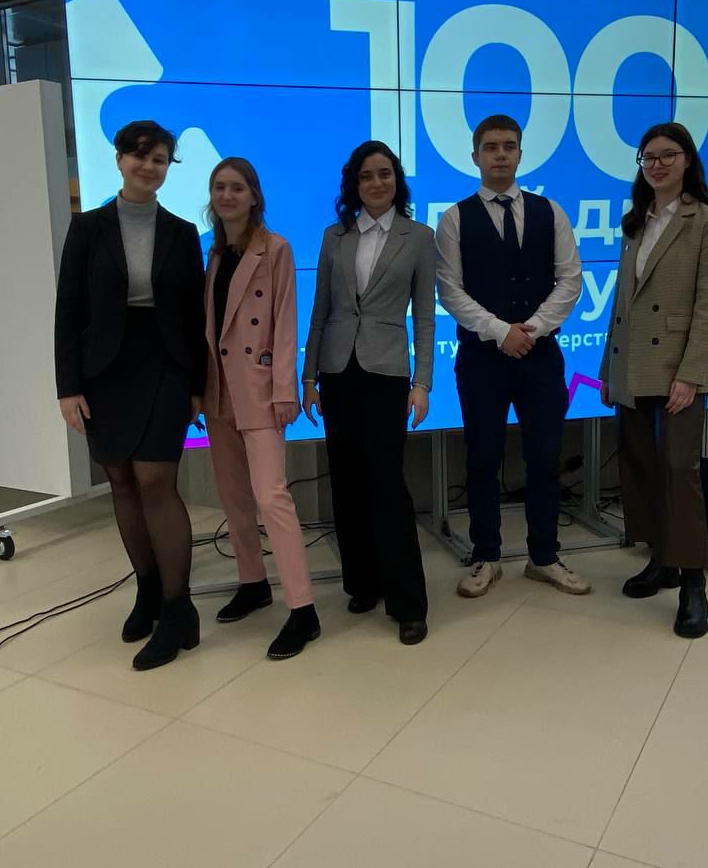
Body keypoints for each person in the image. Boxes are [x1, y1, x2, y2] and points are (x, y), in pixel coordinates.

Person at [54, 120, 207, 671]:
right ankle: (148, 591)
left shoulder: (182, 233)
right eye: (139, 156)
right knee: (120, 479)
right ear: (119, 159)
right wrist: (68, 387)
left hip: (165, 364)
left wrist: (199, 386)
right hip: (104, 370)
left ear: (168, 167)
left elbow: (194, 317)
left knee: (155, 481)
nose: (148, 166)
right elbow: (68, 310)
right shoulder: (87, 229)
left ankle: (179, 608)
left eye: (159, 159)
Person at [436, 114, 588, 599]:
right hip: (481, 359)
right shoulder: (454, 218)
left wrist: (533, 329)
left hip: (541, 357)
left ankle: (544, 556)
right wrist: (501, 332)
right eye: (491, 147)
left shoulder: (551, 212)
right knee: (482, 459)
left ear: (520, 153)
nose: (500, 154)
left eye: (508, 146)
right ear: (475, 156)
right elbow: (449, 290)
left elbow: (570, 279)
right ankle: (486, 556)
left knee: (544, 457)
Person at [600, 121, 708, 638]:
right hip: (632, 363)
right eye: (648, 157)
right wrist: (609, 370)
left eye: (667, 155)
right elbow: (621, 304)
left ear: (687, 160)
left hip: (679, 367)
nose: (656, 165)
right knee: (641, 466)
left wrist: (690, 375)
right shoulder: (636, 222)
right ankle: (662, 560)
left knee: (680, 470)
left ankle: (694, 583)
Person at [301, 141, 435, 646]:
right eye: (366, 176)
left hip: (386, 372)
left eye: (385, 174)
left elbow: (425, 318)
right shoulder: (334, 236)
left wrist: (422, 383)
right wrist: (308, 378)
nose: (376, 183)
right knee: (347, 480)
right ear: (353, 184)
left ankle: (408, 603)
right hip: (337, 370)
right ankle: (362, 582)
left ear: (397, 180)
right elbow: (320, 311)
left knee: (386, 482)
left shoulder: (418, 237)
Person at [201, 157, 319, 660]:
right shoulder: (214, 254)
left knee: (271, 496)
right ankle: (252, 581)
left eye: (237, 187)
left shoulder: (275, 249)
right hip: (218, 390)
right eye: (219, 187)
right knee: (233, 497)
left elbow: (286, 322)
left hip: (260, 388)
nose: (227, 195)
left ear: (254, 196)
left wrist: (284, 389)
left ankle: (304, 609)